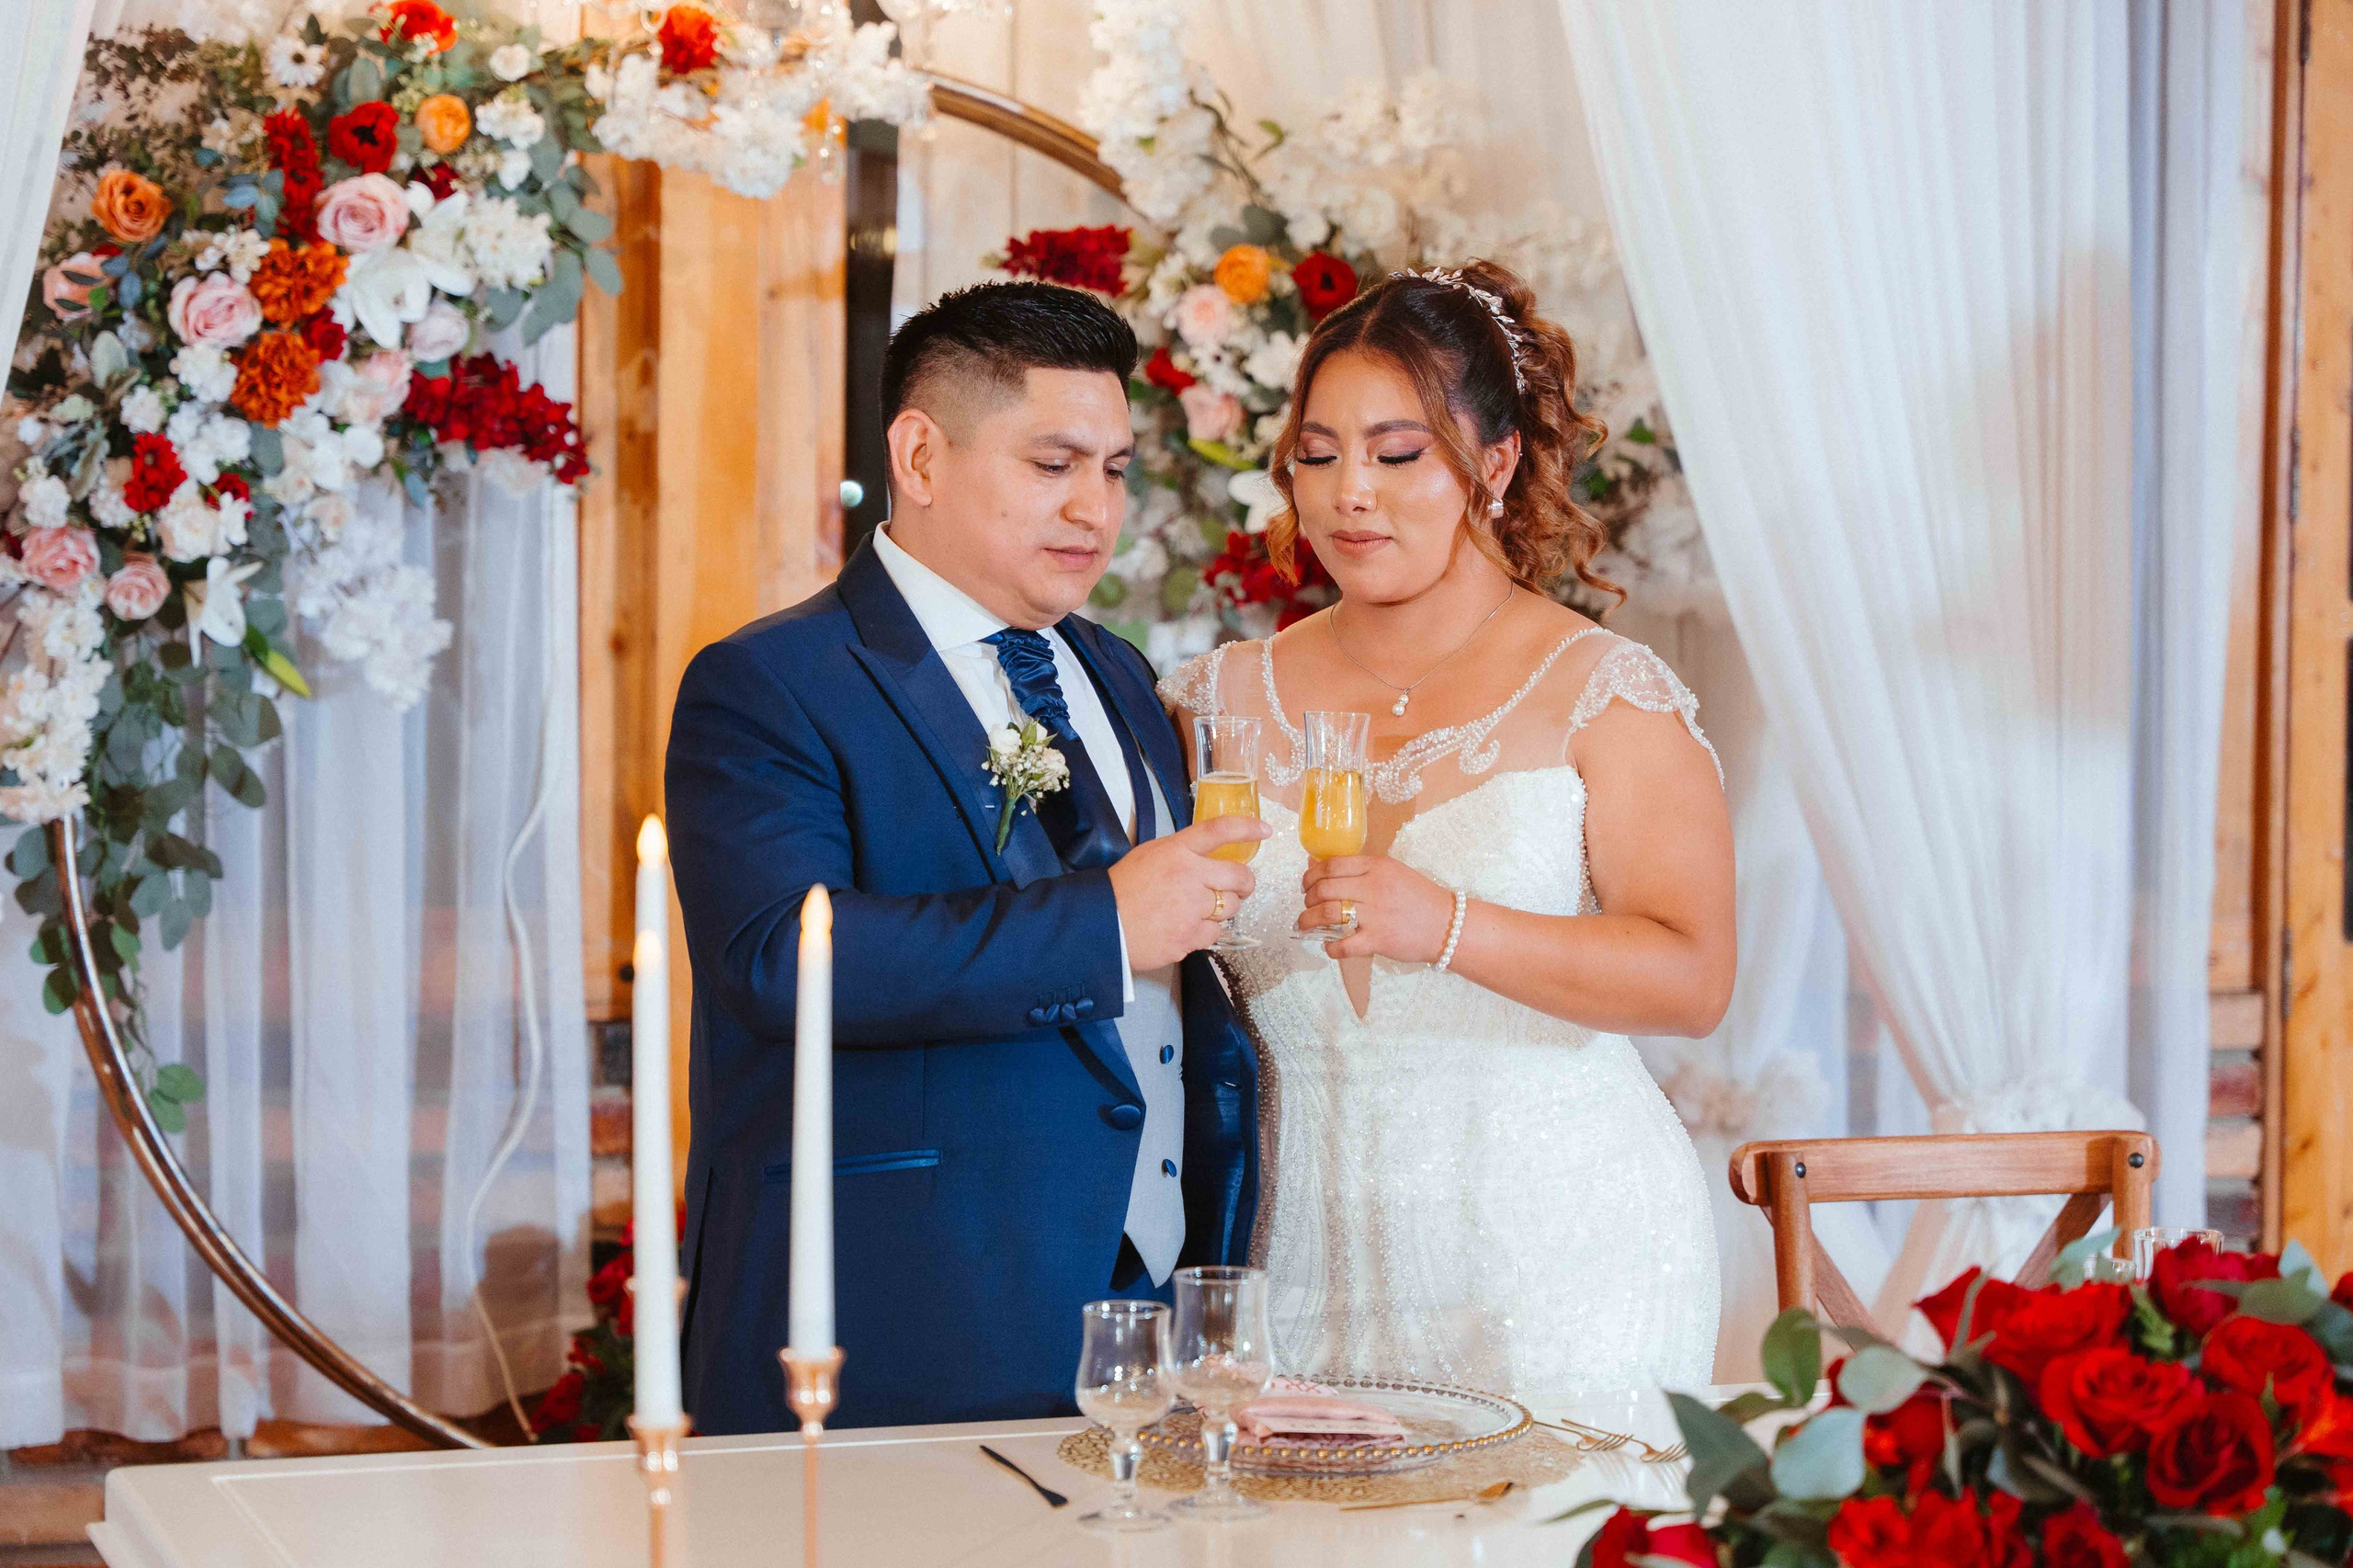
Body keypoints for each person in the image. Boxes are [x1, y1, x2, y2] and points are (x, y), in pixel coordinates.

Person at [666, 280, 1269, 1432]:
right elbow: (778, 961)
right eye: (1053, 464)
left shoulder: (1123, 675)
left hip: (1150, 1308)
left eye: (1114, 468)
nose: (1094, 508)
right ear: (921, 455)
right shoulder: (770, 683)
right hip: (907, 1302)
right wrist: (1102, 925)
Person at [1161, 260, 1731, 1395]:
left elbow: (1692, 976)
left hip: (1563, 1264)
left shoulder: (1605, 692)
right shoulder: (1211, 702)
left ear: (1498, 461)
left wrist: (1449, 922)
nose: (1346, 494)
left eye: (1396, 452)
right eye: (1316, 456)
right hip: (1294, 1273)